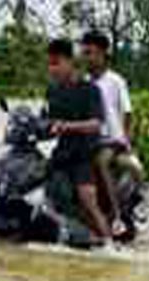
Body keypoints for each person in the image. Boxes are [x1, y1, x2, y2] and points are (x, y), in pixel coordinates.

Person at [44, 37, 113, 244]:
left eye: (56, 63)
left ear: (69, 61)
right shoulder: (52, 91)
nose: (52, 69)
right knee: (39, 185)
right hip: (62, 153)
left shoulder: (90, 90)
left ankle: (110, 244)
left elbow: (96, 123)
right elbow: (50, 122)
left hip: (85, 154)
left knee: (87, 199)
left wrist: (67, 126)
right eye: (49, 64)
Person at [81, 32, 144, 229]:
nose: (86, 58)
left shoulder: (116, 81)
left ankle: (116, 216)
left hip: (113, 140)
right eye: (84, 53)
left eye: (90, 53)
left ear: (102, 54)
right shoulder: (84, 82)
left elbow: (127, 113)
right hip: (91, 139)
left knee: (102, 161)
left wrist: (127, 142)